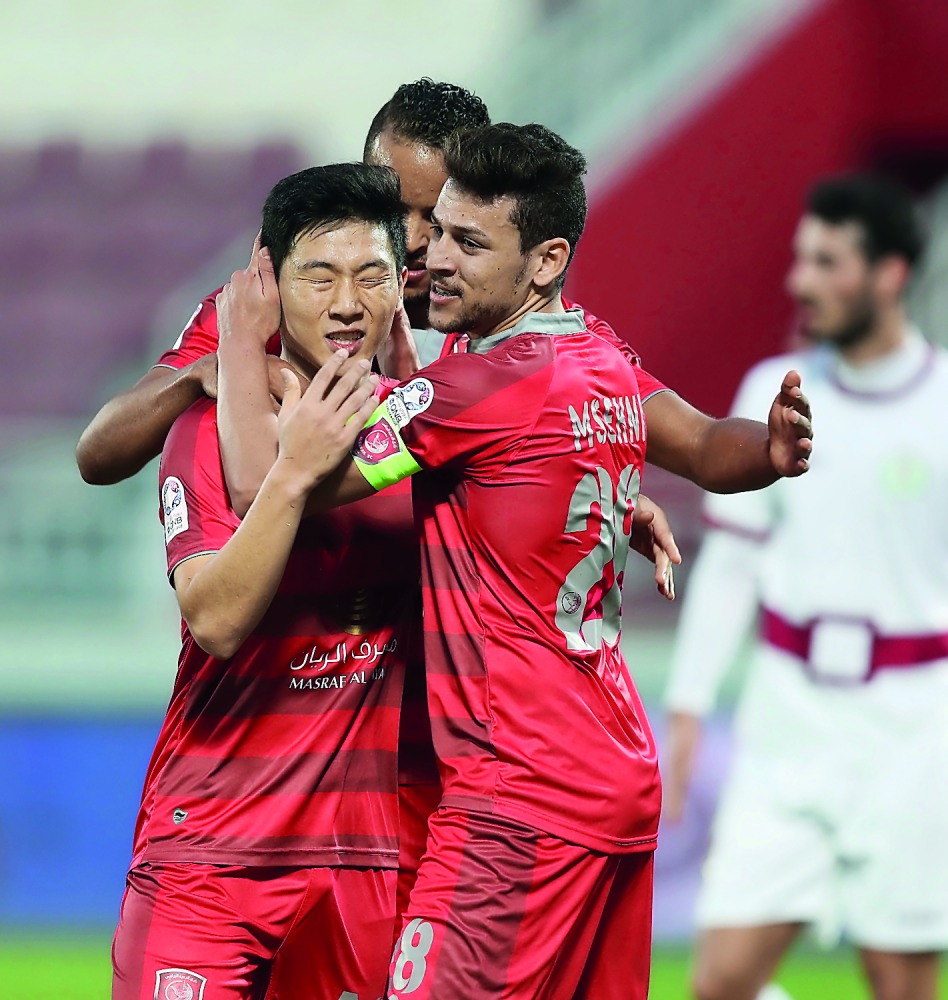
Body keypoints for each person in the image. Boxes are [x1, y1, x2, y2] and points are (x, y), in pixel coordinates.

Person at [224, 123, 813, 1000]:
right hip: (616, 770)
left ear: (544, 263)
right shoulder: (599, 358)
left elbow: (276, 487)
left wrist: (239, 350)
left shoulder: (473, 389)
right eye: (439, 233)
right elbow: (699, 443)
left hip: (516, 789)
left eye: (468, 242)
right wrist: (766, 451)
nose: (437, 262)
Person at [111, 162, 419, 1000]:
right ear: (271, 286)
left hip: (363, 867)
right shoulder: (204, 432)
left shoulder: (421, 434)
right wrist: (291, 471)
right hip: (211, 849)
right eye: (319, 277)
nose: (347, 302)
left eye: (372, 277)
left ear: (401, 290)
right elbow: (213, 618)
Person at [662, 174, 948, 1000]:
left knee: (901, 983)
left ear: (889, 274)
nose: (800, 281)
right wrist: (686, 700)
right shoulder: (773, 393)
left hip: (916, 734)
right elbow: (735, 566)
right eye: (800, 258)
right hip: (789, 727)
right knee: (720, 982)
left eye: (827, 261)